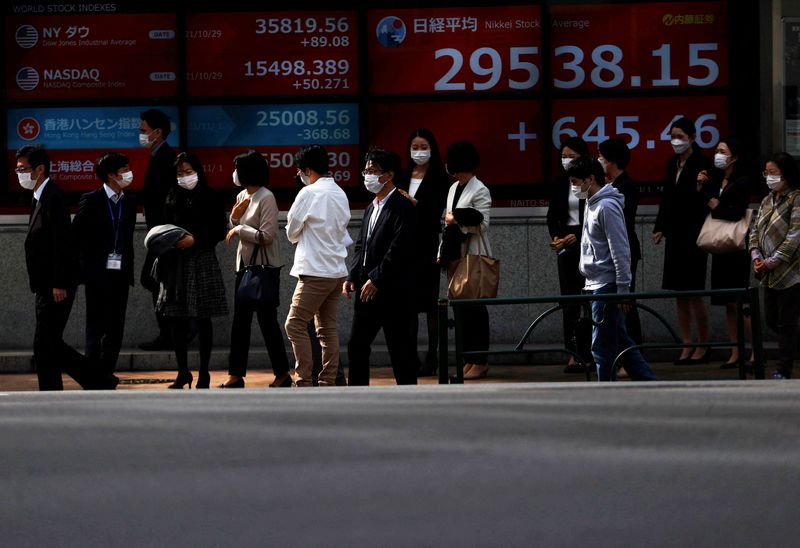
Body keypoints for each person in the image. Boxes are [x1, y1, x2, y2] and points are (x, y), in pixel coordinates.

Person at [17, 145, 105, 390]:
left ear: (40, 169)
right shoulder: (38, 197)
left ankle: (95, 379)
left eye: (23, 169)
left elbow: (62, 243)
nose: (19, 173)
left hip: (56, 284)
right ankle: (57, 388)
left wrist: (59, 282)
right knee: (48, 342)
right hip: (44, 283)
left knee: (46, 342)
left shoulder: (53, 197)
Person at [566, 158, 656, 382]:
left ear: (590, 179)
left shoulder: (606, 206)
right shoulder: (592, 203)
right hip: (598, 281)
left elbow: (620, 248)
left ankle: (605, 387)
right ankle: (648, 382)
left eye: (575, 181)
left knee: (602, 345)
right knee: (620, 339)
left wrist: (623, 287)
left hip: (606, 284)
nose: (573, 187)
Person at [153, 152, 228, 389]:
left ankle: (204, 372)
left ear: (197, 171)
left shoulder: (211, 195)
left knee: (202, 316)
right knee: (176, 317)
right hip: (175, 262)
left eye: (188, 172)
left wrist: (195, 239)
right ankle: (182, 371)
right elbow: (163, 227)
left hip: (202, 258)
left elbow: (219, 229)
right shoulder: (171, 196)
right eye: (180, 173)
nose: (184, 177)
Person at [344, 148, 417, 385]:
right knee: (357, 345)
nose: (368, 176)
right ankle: (357, 396)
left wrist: (377, 279)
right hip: (366, 290)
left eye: (373, 171)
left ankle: (411, 400)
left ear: (389, 175)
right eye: (366, 171)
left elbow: (399, 249)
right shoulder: (371, 207)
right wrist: (353, 275)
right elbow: (361, 245)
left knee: (400, 351)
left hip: (392, 291)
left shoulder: (402, 206)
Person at [221, 150, 292, 389]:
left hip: (264, 268)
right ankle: (235, 374)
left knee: (267, 322)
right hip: (244, 267)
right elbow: (234, 226)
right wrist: (234, 218)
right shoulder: (243, 194)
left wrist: (239, 229)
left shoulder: (266, 197)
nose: (234, 173)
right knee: (240, 323)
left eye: (237, 168)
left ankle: (282, 372)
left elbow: (267, 236)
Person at [285, 144, 351, 387]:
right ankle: (328, 378)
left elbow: (292, 230)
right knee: (326, 328)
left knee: (294, 324)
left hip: (314, 271)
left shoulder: (309, 193)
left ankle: (303, 379)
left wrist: (301, 234)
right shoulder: (340, 193)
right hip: (336, 271)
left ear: (308, 170)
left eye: (301, 171)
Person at [72, 152, 137, 388]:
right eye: (125, 169)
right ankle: (92, 372)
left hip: (120, 272)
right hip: (97, 274)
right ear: (111, 175)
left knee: (116, 326)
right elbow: (76, 236)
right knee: (95, 325)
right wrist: (86, 268)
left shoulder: (129, 201)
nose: (129, 173)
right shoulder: (91, 199)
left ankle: (107, 371)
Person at [652, 117, 712, 364]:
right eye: (672, 136)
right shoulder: (671, 164)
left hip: (694, 234)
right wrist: (660, 227)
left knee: (694, 291)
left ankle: (703, 343)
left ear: (692, 137)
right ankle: (686, 343)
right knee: (679, 292)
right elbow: (667, 197)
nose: (675, 141)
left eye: (680, 136)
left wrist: (701, 187)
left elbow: (707, 197)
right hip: (675, 234)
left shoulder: (703, 163)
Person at [697, 137, 755, 368]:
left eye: (723, 150)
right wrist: (702, 187)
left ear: (735, 156)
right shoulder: (718, 179)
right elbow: (706, 203)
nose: (718, 154)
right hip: (720, 247)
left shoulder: (742, 181)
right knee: (728, 304)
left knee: (739, 302)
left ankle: (753, 349)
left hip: (735, 247)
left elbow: (735, 213)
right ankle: (735, 350)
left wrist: (715, 206)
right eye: (717, 150)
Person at [396, 128, 449, 376]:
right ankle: (411, 356)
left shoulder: (441, 177)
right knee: (408, 304)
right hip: (406, 246)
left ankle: (433, 355)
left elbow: (439, 211)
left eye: (423, 146)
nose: (419, 152)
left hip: (428, 244)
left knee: (429, 303)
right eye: (415, 147)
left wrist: (417, 204)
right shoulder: (404, 175)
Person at [439, 141, 492, 380]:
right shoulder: (453, 188)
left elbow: (483, 223)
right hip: (455, 255)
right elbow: (447, 219)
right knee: (461, 311)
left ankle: (479, 360)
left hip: (471, 254)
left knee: (474, 310)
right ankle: (469, 358)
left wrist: (455, 219)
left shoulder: (479, 189)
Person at [748, 152, 800, 379]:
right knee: (772, 320)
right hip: (768, 273)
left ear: (786, 174)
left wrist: (771, 262)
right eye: (766, 173)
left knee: (787, 323)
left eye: (773, 173)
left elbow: (794, 236)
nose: (769, 177)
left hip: (791, 272)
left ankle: (783, 369)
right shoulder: (767, 200)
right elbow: (754, 231)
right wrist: (756, 257)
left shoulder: (796, 198)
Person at [547, 137, 590, 373]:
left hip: (586, 241)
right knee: (569, 302)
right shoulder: (559, 183)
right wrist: (556, 236)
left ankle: (591, 352)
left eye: (572, 156)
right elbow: (552, 216)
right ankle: (572, 354)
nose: (567, 160)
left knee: (589, 300)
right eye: (564, 156)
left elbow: (593, 215)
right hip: (565, 243)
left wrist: (579, 235)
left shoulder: (590, 181)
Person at [138, 108, 177, 351]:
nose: (141, 135)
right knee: (156, 280)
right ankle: (170, 331)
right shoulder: (158, 155)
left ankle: (171, 331)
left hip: (164, 235)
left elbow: (167, 198)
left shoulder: (165, 158)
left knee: (153, 279)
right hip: (159, 233)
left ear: (157, 132)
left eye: (143, 131)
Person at [598, 137, 643, 346]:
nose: (598, 160)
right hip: (612, 251)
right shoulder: (611, 185)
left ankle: (633, 351)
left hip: (624, 250)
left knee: (626, 304)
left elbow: (621, 223)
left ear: (611, 161)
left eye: (601, 157)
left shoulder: (626, 186)